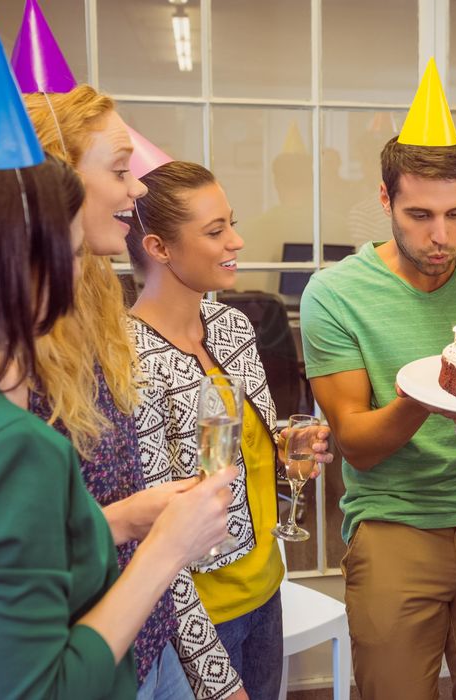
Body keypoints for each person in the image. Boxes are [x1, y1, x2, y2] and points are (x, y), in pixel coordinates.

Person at [0, 149, 234, 699]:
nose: (81, 272)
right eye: (76, 251)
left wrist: (122, 521)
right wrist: (166, 551)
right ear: (22, 267)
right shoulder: (14, 449)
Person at [300, 60, 456, 699]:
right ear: (384, 201)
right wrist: (428, 397)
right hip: (393, 520)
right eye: (419, 215)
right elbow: (356, 443)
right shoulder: (335, 294)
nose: (442, 237)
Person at [25, 84, 244, 700]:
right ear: (56, 183)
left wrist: (131, 516)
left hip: (148, 632)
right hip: (76, 646)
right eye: (120, 170)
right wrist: (139, 528)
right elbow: (16, 552)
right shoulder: (10, 362)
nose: (138, 187)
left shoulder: (96, 296)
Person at [126, 160, 330, 700]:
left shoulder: (232, 326)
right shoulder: (130, 361)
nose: (236, 241)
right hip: (199, 618)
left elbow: (242, 449)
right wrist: (214, 678)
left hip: (266, 589)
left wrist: (287, 446)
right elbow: (157, 539)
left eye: (230, 224)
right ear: (159, 247)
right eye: (215, 232)